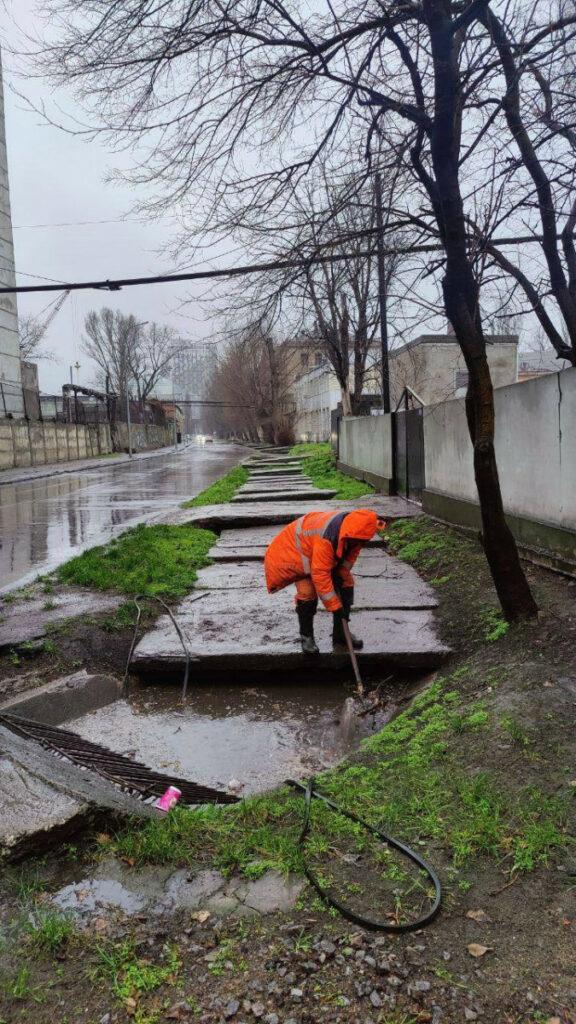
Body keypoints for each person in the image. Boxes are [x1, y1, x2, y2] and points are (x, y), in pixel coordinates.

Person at [264, 509, 386, 655]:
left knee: (346, 583)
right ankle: (306, 637)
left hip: (314, 553)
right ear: (350, 535)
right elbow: (320, 574)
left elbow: (346, 563)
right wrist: (335, 606)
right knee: (307, 592)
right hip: (294, 554)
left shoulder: (356, 535)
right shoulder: (327, 538)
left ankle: (341, 634)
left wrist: (341, 580)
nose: (361, 543)